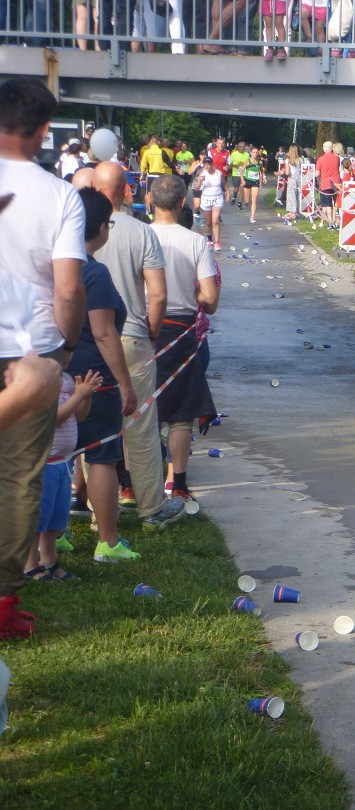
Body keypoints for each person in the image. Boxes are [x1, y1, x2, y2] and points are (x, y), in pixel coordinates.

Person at [0, 78, 86, 641]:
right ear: (41, 132)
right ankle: (3, 601)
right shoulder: (59, 196)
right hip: (31, 348)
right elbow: (69, 289)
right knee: (17, 477)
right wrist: (66, 344)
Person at [90, 160, 187, 530]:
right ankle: (150, 507)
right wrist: (151, 331)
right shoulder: (141, 232)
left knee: (95, 426)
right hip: (131, 335)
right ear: (126, 190)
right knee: (141, 426)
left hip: (90, 339)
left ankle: (97, 509)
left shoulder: (77, 231)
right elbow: (158, 294)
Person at [69, 186, 146, 562]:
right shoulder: (94, 274)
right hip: (93, 378)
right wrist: (125, 384)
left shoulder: (53, 267)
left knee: (52, 458)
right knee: (101, 455)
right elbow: (103, 332)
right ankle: (109, 542)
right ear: (100, 228)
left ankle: (48, 538)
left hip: (56, 372)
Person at [149, 175, 220, 504]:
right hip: (180, 329)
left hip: (142, 326)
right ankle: (176, 483)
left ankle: (130, 483)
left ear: (151, 201)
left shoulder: (140, 234)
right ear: (182, 204)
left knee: (141, 406)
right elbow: (210, 299)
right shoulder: (195, 242)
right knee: (180, 415)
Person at [24, 368, 100, 581]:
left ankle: (49, 561)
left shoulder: (65, 379)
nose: (66, 357)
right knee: (37, 518)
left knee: (55, 519)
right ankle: (30, 565)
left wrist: (85, 397)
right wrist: (78, 395)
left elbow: (80, 415)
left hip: (62, 462)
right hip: (41, 464)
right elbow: (52, 419)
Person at [194, 156, 226, 250]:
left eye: (209, 164)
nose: (207, 166)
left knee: (215, 220)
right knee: (208, 222)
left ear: (212, 164)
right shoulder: (202, 174)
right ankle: (209, 240)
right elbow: (196, 188)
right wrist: (200, 181)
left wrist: (227, 193)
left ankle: (217, 242)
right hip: (206, 198)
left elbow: (224, 184)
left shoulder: (219, 173)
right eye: (205, 165)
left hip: (217, 198)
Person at [316, 140, 340, 229]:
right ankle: (336, 221)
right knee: (336, 204)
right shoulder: (336, 158)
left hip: (325, 183)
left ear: (324, 148)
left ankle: (330, 222)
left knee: (327, 204)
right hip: (336, 183)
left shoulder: (321, 159)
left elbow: (317, 174)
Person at [243, 146, 265, 224]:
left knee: (254, 200)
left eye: (256, 152)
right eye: (254, 152)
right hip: (247, 181)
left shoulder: (260, 162)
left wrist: (263, 178)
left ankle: (252, 216)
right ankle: (246, 203)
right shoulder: (247, 161)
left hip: (255, 182)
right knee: (247, 201)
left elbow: (261, 171)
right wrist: (243, 181)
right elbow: (242, 172)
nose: (255, 154)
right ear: (251, 153)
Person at [283, 144, 301, 222]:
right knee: (298, 195)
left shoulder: (288, 161)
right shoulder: (300, 160)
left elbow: (287, 172)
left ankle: (292, 212)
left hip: (292, 178)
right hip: (299, 179)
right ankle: (298, 211)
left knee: (291, 196)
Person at [229, 141, 249, 210]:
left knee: (242, 188)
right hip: (236, 174)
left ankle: (239, 204)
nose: (242, 148)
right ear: (238, 147)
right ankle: (234, 196)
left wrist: (244, 165)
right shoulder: (233, 154)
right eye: (241, 147)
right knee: (236, 189)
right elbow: (230, 164)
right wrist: (236, 165)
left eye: (243, 147)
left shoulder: (247, 154)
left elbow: (249, 164)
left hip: (244, 174)